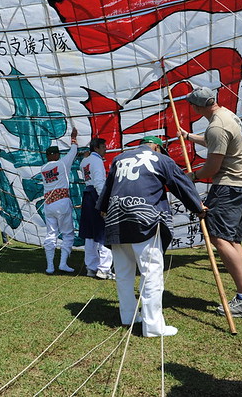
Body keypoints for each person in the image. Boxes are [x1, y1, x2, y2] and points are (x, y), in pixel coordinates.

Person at [97, 136, 204, 337]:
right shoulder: (161, 159)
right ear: (156, 147)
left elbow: (107, 188)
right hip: (145, 219)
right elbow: (180, 184)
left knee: (124, 274)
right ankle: (153, 327)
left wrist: (103, 208)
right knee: (151, 273)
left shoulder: (119, 159)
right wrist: (197, 207)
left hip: (116, 219)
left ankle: (128, 317)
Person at [181, 86, 242, 318]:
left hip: (229, 185)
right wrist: (188, 136)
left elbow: (212, 167)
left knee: (219, 237)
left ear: (197, 107)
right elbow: (215, 141)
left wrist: (191, 176)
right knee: (233, 241)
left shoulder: (217, 125)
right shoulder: (228, 116)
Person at [40, 128, 79, 274]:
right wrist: (73, 138)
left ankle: (50, 266)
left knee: (50, 234)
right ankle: (63, 263)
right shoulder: (62, 164)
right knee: (67, 233)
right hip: (62, 202)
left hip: (48, 204)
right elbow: (73, 151)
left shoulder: (43, 168)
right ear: (56, 155)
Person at [79, 137, 114, 280]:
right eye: (104, 147)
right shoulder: (97, 160)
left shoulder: (84, 161)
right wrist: (103, 202)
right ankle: (104, 268)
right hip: (95, 195)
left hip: (87, 195)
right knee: (104, 231)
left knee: (90, 234)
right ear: (97, 148)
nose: (105, 149)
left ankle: (91, 267)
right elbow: (99, 182)